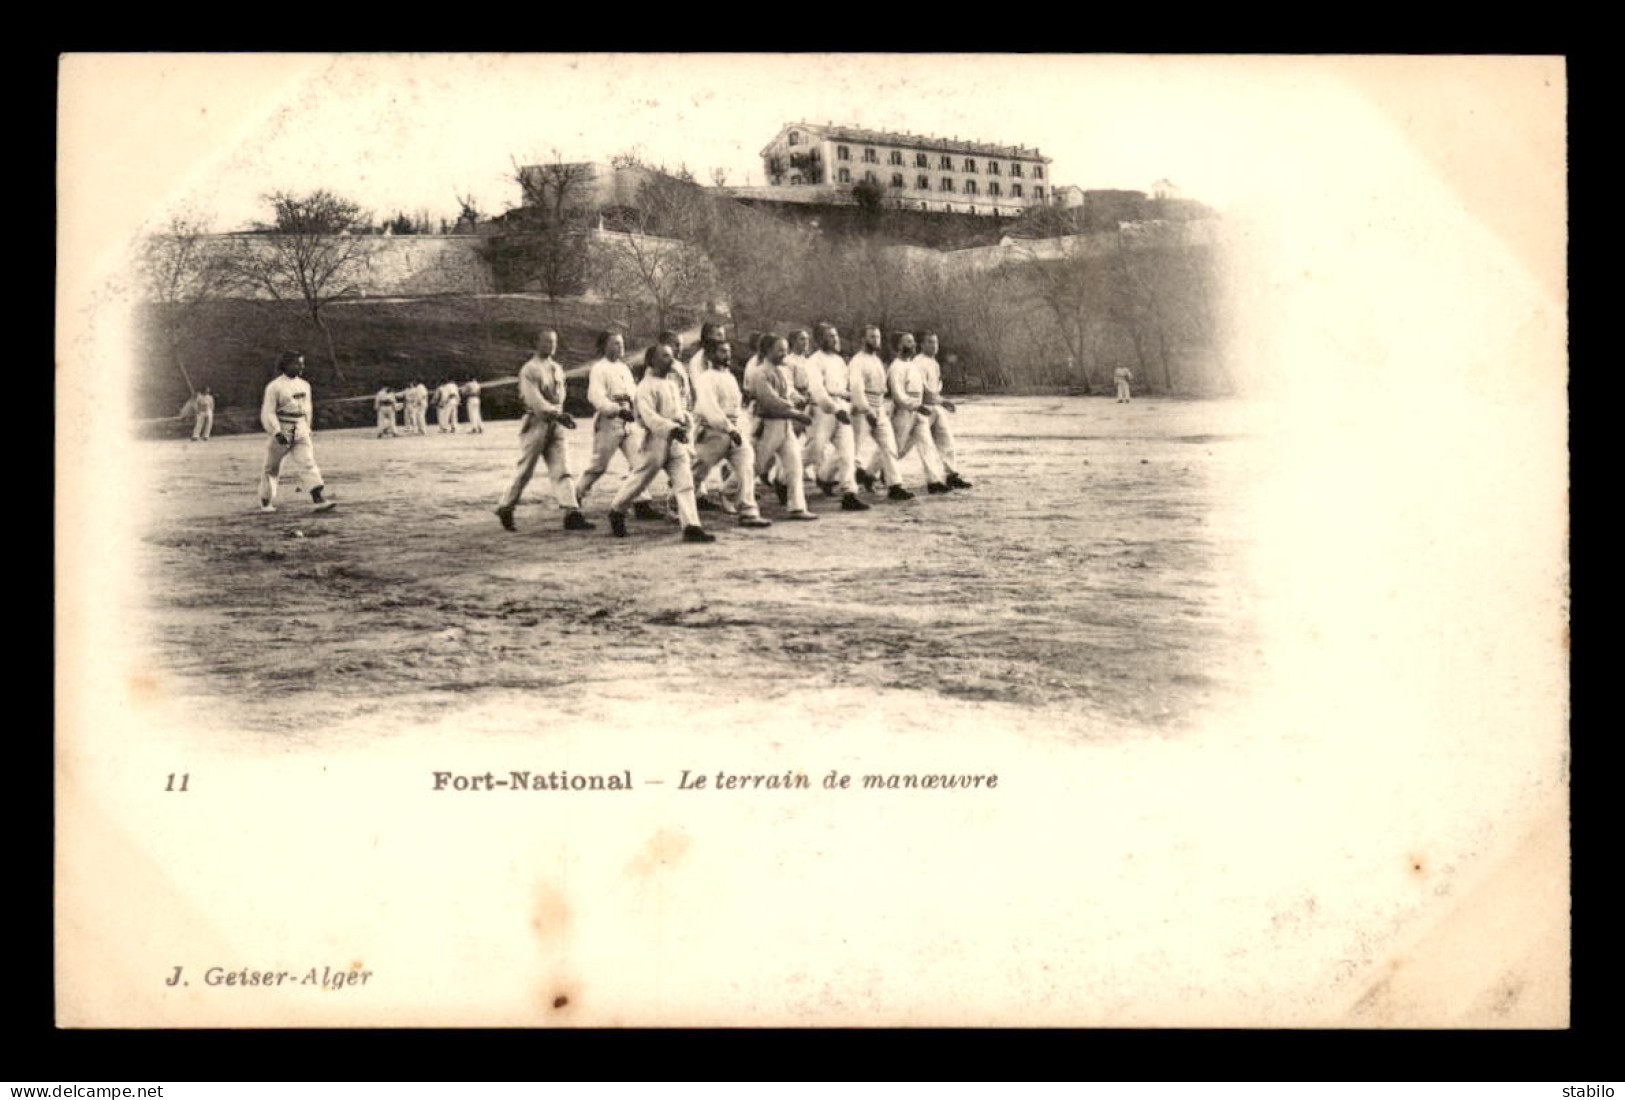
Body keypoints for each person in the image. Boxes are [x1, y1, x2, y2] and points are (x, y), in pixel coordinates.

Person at [605, 344, 713, 544]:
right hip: (654, 441)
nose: (670, 360)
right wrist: (671, 428)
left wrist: (684, 420)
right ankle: (617, 510)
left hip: (675, 442)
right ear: (651, 361)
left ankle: (691, 526)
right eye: (664, 356)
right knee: (640, 479)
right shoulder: (645, 387)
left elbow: (677, 410)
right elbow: (649, 417)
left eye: (670, 356)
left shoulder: (670, 384)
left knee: (685, 483)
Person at [495, 330, 593, 533]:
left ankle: (571, 512)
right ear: (536, 343)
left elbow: (560, 396)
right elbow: (535, 400)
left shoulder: (556, 368)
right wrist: (557, 415)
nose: (551, 345)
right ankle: (506, 506)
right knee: (526, 469)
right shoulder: (529, 370)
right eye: (547, 341)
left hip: (556, 422)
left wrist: (560, 416)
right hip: (536, 422)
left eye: (554, 341)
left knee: (563, 467)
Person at [690, 340, 772, 529]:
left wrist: (739, 428)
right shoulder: (706, 379)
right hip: (712, 432)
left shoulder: (730, 377)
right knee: (697, 472)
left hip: (734, 430)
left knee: (746, 464)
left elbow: (735, 408)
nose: (726, 355)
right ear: (710, 356)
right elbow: (710, 408)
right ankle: (676, 503)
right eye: (721, 352)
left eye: (728, 351)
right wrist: (728, 428)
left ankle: (748, 510)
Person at [574, 331, 655, 518]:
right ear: (604, 346)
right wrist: (616, 410)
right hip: (609, 422)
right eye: (616, 343)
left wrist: (639, 410)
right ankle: (574, 497)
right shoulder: (599, 369)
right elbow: (595, 397)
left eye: (621, 343)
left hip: (628, 421)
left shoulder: (624, 368)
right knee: (598, 465)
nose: (621, 346)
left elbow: (634, 393)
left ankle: (641, 502)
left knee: (639, 463)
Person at [743, 335, 818, 521]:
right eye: (780, 350)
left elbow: (788, 392)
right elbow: (771, 402)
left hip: (785, 426)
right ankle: (729, 491)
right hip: (767, 425)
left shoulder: (781, 371)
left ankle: (797, 507)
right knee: (756, 466)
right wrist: (797, 414)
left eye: (785, 349)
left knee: (795, 466)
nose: (784, 354)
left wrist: (799, 399)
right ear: (767, 351)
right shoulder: (759, 373)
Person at [868, 332, 949, 494]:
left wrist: (941, 401)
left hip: (918, 412)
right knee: (894, 447)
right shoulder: (896, 367)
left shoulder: (913, 365)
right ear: (898, 345)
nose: (912, 345)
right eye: (908, 342)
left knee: (927, 444)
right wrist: (915, 406)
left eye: (912, 342)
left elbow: (925, 391)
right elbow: (898, 396)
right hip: (902, 413)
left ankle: (934, 481)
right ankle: (868, 474)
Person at [258, 351, 335, 513]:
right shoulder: (274, 386)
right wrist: (276, 431)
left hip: (300, 428)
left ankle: (318, 498)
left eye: (302, 363)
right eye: (297, 363)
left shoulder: (305, 385)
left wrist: (308, 427)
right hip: (282, 427)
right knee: (272, 467)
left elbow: (308, 408)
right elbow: (269, 411)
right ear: (285, 365)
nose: (301, 367)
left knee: (307, 462)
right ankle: (266, 501)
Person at [805, 324, 867, 512]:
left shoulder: (839, 360)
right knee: (814, 451)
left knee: (848, 451)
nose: (835, 339)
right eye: (830, 336)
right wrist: (833, 408)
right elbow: (817, 389)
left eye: (836, 335)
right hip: (822, 410)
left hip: (841, 406)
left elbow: (843, 387)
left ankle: (849, 493)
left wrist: (851, 402)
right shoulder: (814, 361)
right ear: (819, 339)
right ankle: (782, 480)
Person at [847, 324, 913, 501]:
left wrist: (882, 409)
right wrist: (867, 410)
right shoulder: (857, 361)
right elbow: (856, 389)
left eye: (878, 337)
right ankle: (826, 477)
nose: (876, 341)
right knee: (850, 450)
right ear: (863, 339)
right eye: (871, 337)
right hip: (862, 411)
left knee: (889, 446)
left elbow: (881, 388)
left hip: (880, 408)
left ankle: (895, 485)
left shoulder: (876, 360)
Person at [917, 334, 973, 490]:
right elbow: (921, 390)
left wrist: (942, 401)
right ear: (921, 345)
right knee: (902, 445)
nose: (934, 345)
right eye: (929, 342)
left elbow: (934, 390)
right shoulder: (918, 363)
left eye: (935, 342)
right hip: (919, 409)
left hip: (933, 407)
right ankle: (873, 472)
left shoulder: (934, 363)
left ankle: (951, 475)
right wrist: (942, 401)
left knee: (946, 439)